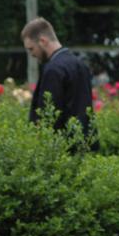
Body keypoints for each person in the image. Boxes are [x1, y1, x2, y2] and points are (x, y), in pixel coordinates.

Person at [21, 17, 95, 149]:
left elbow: (49, 115)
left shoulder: (53, 70)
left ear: (43, 41)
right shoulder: (79, 65)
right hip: (85, 144)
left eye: (31, 49)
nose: (31, 54)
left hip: (62, 149)